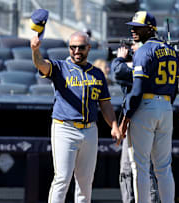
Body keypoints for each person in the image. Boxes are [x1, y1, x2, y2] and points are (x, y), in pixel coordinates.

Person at [30, 9, 122, 203]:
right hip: (65, 127)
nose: (76, 52)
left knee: (85, 182)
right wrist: (35, 50)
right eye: (72, 48)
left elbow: (105, 104)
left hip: (90, 129)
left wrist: (114, 126)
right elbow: (41, 65)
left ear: (88, 48)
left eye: (80, 47)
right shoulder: (60, 67)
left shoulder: (97, 73)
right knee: (62, 178)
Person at [119, 11, 179, 203]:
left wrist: (126, 118)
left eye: (138, 27)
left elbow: (136, 91)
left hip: (146, 105)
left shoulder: (144, 51)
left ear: (150, 29)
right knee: (163, 166)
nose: (133, 30)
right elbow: (175, 88)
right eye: (133, 26)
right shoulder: (171, 50)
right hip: (166, 106)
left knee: (141, 166)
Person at [112, 41, 160, 203]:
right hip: (146, 115)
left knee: (139, 169)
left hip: (140, 117)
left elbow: (118, 72)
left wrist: (120, 58)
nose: (131, 48)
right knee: (131, 170)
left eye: (134, 45)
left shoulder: (146, 62)